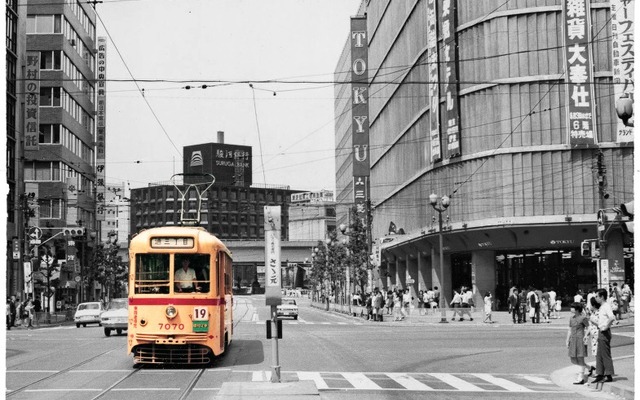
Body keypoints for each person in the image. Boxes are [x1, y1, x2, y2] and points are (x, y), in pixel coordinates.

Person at [589, 288, 616, 384]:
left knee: (605, 354)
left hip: (604, 332)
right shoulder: (602, 306)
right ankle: (599, 374)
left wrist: (604, 326)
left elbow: (612, 317)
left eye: (597, 296)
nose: (596, 298)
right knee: (599, 354)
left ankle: (608, 375)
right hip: (601, 331)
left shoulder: (606, 306)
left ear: (602, 297)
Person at [566, 302, 592, 384]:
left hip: (580, 339)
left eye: (572, 307)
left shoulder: (583, 318)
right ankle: (590, 368)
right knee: (573, 359)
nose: (571, 308)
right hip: (573, 340)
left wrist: (586, 336)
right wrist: (567, 340)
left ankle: (581, 377)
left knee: (580, 358)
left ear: (577, 309)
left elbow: (589, 327)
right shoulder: (571, 318)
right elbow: (569, 329)